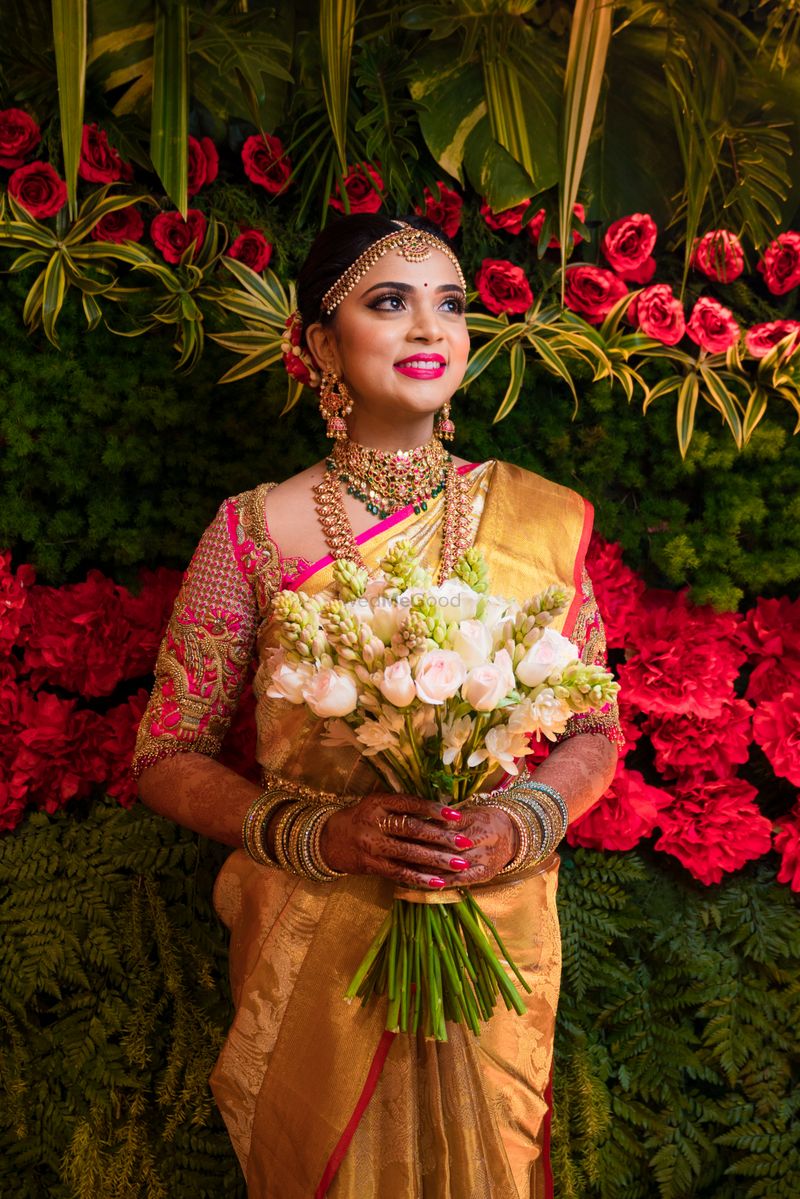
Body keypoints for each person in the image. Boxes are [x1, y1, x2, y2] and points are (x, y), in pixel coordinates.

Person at [132, 213, 623, 1199]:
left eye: (449, 303)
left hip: (490, 923)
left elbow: (592, 725)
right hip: (313, 930)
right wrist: (315, 833)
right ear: (317, 344)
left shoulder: (538, 515)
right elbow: (166, 752)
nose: (426, 327)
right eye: (387, 301)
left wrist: (519, 819)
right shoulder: (251, 531)